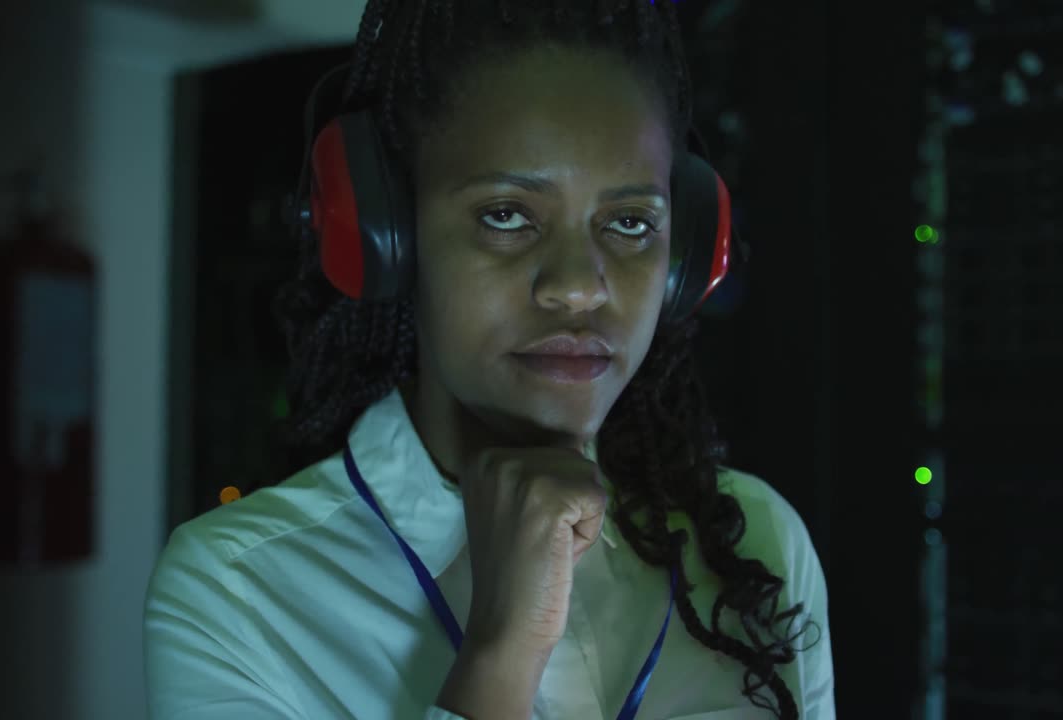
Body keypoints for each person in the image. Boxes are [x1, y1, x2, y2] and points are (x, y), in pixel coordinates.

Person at [143, 1, 835, 718]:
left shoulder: (757, 541)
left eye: (630, 223)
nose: (576, 287)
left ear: (686, 260)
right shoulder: (236, 594)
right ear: (387, 236)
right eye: (506, 216)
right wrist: (504, 648)